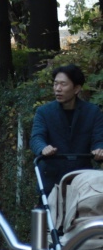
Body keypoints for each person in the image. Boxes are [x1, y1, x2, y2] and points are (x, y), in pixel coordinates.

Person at [32, 64, 103, 197]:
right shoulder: (44, 112)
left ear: (76, 88)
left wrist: (99, 149)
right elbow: (36, 137)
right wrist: (43, 148)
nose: (58, 88)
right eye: (55, 84)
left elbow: (99, 139)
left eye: (63, 84)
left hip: (83, 181)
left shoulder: (93, 112)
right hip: (51, 182)